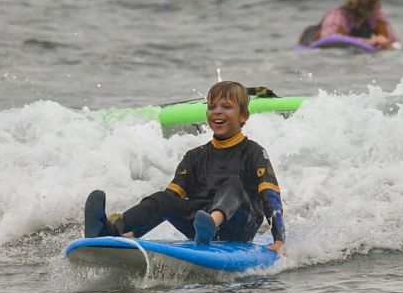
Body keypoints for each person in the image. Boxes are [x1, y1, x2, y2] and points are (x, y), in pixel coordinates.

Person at [83, 81, 285, 253]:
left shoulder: (254, 152)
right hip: (198, 226)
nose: (217, 112)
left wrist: (279, 240)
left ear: (243, 116)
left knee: (233, 184)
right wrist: (135, 233)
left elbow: (271, 197)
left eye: (226, 107)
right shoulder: (195, 156)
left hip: (239, 226)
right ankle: (108, 231)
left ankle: (211, 223)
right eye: (212, 106)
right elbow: (167, 203)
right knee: (163, 198)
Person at [299, 0, 400, 50]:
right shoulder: (338, 15)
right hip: (310, 41)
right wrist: (369, 42)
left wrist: (386, 44)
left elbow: (395, 43)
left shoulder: (377, 16)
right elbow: (328, 39)